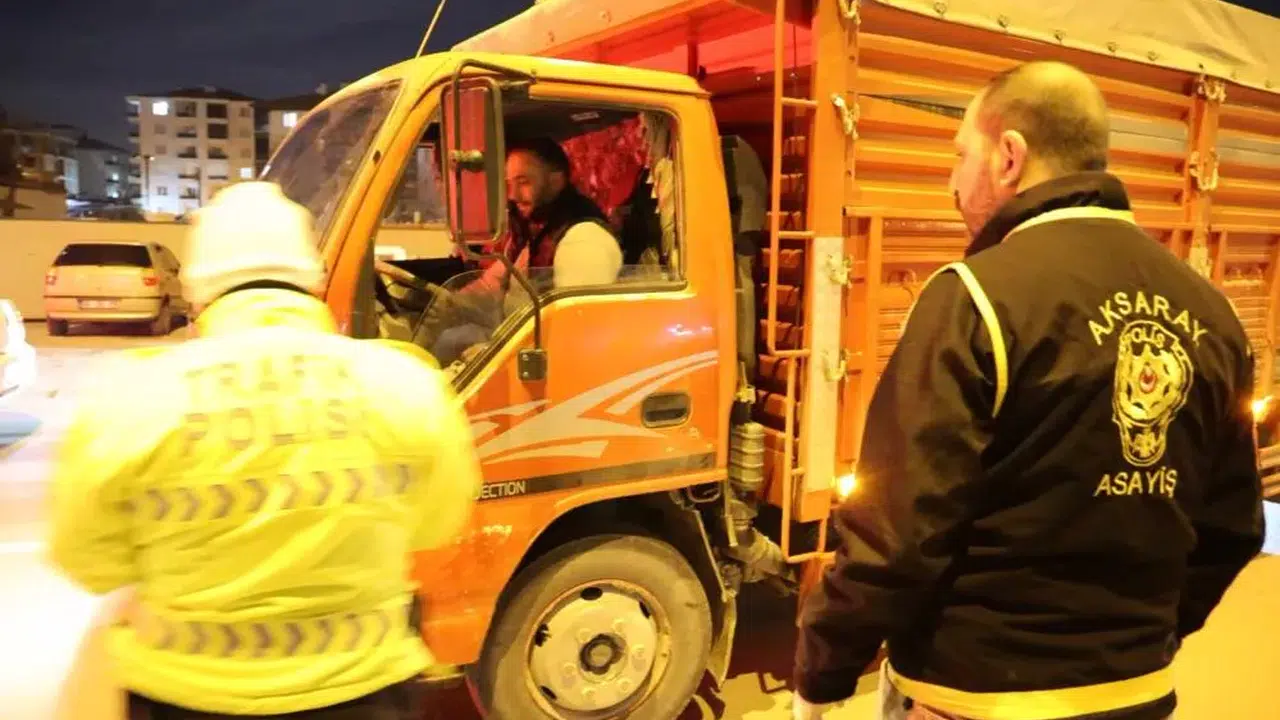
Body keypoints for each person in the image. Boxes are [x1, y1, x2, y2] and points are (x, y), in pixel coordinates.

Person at [792, 61, 1264, 720]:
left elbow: (897, 535)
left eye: (961, 155)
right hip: (1137, 697)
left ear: (1009, 157)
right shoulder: (1212, 312)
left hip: (972, 697)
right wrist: (1141, 641)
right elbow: (1234, 526)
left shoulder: (974, 298)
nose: (952, 181)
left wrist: (823, 672)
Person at [46, 181, 484, 719]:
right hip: (363, 692)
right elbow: (437, 522)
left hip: (184, 698)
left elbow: (86, 561)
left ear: (198, 295)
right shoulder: (403, 385)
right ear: (314, 283)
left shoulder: (131, 397)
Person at [430, 136, 622, 364]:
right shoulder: (534, 230)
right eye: (509, 184)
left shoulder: (583, 239)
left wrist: (499, 354)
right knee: (450, 339)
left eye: (523, 182)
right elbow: (491, 285)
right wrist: (445, 303)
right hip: (514, 336)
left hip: (539, 357)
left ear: (556, 181)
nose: (513, 195)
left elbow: (576, 329)